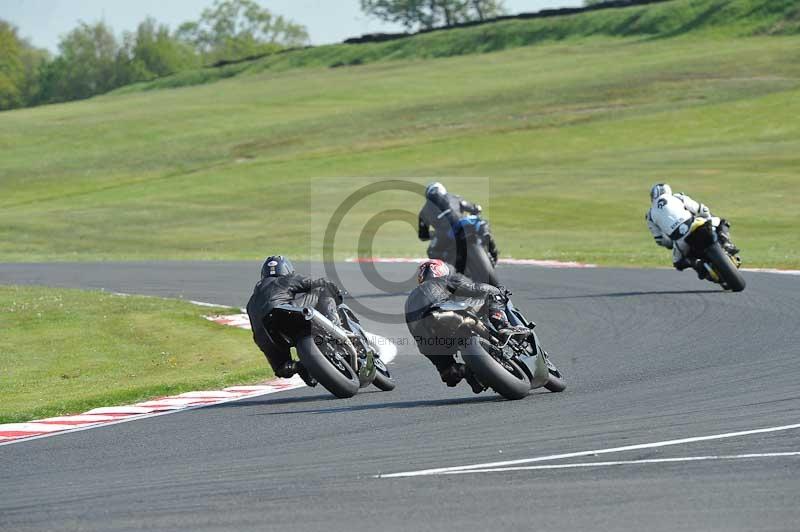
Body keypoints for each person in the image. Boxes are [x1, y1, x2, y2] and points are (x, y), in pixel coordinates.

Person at [404, 259, 528, 393]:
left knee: (449, 374)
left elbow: (413, 328)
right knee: (492, 295)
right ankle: (502, 325)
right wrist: (497, 290)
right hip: (445, 318)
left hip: (426, 341)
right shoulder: (442, 281)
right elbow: (475, 289)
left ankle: (470, 374)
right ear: (440, 271)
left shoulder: (410, 300)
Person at [246, 255, 343, 387]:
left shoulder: (251, 301)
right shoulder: (285, 279)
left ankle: (301, 366)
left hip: (264, 335)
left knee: (283, 369)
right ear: (287, 270)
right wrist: (336, 292)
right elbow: (317, 282)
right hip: (284, 315)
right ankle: (335, 327)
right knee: (322, 290)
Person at [645, 183, 739, 277]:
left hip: (680, 240)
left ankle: (697, 264)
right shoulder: (677, 197)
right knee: (722, 222)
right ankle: (726, 242)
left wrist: (670, 244)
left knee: (678, 263)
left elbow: (659, 239)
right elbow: (701, 209)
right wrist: (708, 217)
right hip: (694, 224)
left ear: (653, 196)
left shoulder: (650, 216)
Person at [418, 182, 499, 270]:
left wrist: (434, 234)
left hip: (446, 234)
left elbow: (423, 235)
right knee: (483, 224)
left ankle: (446, 274)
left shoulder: (424, 211)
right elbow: (476, 208)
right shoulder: (454, 198)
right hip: (461, 226)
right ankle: (493, 253)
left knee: (432, 252)